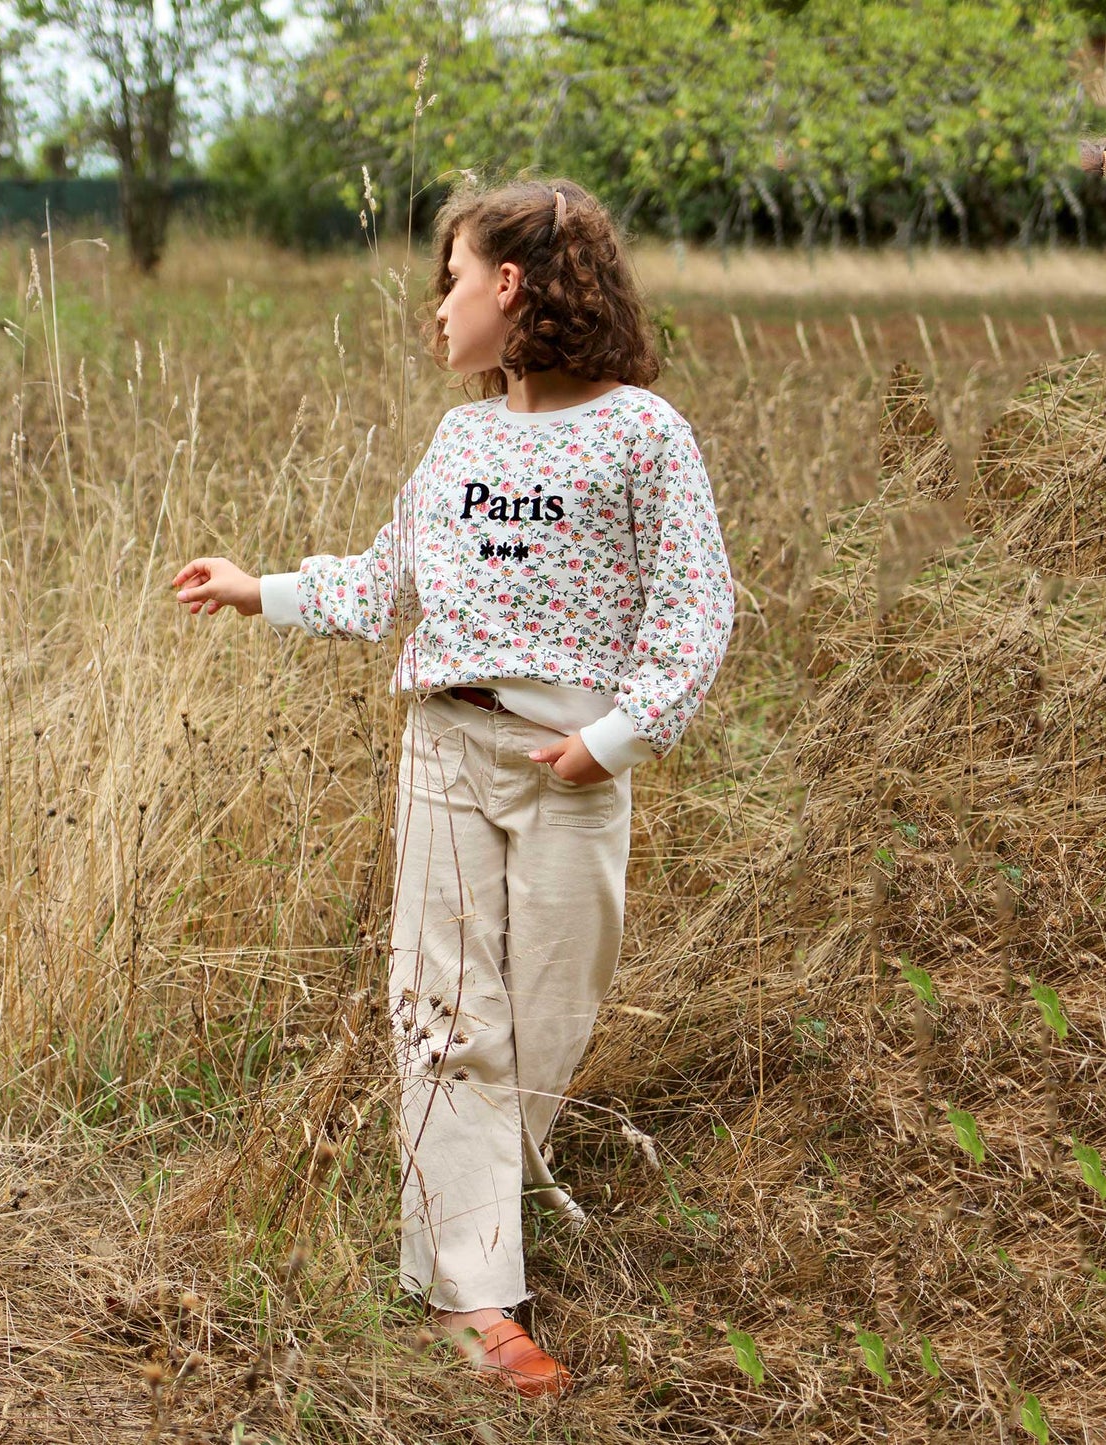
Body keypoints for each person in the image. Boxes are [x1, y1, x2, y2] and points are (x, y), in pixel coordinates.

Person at [172, 175, 735, 1398]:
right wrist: (258, 589)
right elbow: (384, 583)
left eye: (452, 279)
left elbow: (695, 610)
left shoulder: (642, 433)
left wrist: (617, 738)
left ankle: (477, 1211)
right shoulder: (458, 440)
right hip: (444, 747)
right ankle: (476, 1298)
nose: (437, 307)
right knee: (442, 1016)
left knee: (548, 1013)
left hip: (571, 763)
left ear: (510, 285)